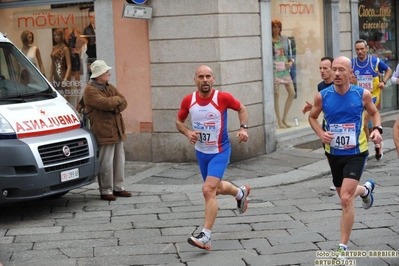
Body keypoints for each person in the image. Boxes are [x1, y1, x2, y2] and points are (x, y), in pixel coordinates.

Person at [308, 56, 382, 258]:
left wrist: (377, 129)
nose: (337, 73)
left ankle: (342, 247)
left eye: (342, 70)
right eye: (334, 69)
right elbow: (312, 117)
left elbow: (375, 113)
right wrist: (320, 134)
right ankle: (365, 190)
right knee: (344, 193)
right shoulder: (322, 96)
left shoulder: (362, 94)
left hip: (357, 151)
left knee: (346, 198)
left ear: (351, 74)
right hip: (333, 152)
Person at [176, 65, 250, 251]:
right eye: (201, 76)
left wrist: (243, 128)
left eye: (208, 76)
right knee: (214, 190)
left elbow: (242, 108)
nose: (205, 80)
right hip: (201, 153)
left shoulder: (222, 98)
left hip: (220, 151)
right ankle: (239, 193)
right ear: (195, 80)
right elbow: (179, 121)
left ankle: (206, 236)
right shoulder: (189, 100)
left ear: (213, 79)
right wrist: (187, 132)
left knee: (208, 190)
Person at [83, 60, 132, 201]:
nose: (109, 74)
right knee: (106, 162)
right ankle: (106, 190)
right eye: (106, 72)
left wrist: (113, 104)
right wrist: (114, 102)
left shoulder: (108, 87)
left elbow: (124, 101)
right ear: (99, 75)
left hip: (117, 130)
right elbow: (106, 103)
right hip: (103, 131)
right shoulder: (90, 91)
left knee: (119, 160)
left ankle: (118, 187)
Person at [351, 39, 392, 161]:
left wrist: (383, 82)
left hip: (373, 96)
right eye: (357, 49)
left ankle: (364, 150)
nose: (360, 51)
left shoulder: (375, 61)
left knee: (363, 121)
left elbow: (388, 70)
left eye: (362, 49)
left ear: (367, 49)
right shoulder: (352, 64)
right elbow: (348, 77)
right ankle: (377, 143)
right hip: (358, 96)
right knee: (367, 124)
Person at [301, 56, 335, 191]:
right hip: (327, 125)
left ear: (333, 69)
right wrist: (314, 107)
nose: (322, 71)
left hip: (343, 125)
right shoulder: (321, 86)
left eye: (325, 68)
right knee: (329, 154)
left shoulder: (340, 84)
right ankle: (336, 177)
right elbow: (322, 103)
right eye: (320, 68)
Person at [271, 20, 296, 128]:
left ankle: (284, 118)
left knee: (292, 92)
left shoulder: (284, 40)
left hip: (284, 68)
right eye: (274, 27)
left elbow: (290, 53)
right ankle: (278, 120)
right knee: (276, 95)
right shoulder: (269, 41)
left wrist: (291, 62)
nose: (276, 29)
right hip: (274, 70)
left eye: (278, 27)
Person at [64, 27, 88, 107]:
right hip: (66, 57)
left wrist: (79, 50)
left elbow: (85, 41)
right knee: (68, 81)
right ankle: (68, 103)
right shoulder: (62, 31)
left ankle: (79, 102)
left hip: (73, 56)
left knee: (77, 81)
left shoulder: (74, 30)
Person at [49, 28, 72, 103]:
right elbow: (53, 63)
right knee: (56, 97)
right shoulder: (54, 47)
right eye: (55, 35)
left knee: (64, 98)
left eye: (58, 35)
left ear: (61, 36)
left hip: (62, 75)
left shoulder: (65, 48)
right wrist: (50, 77)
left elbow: (69, 65)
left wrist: (65, 79)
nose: (56, 37)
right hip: (55, 77)